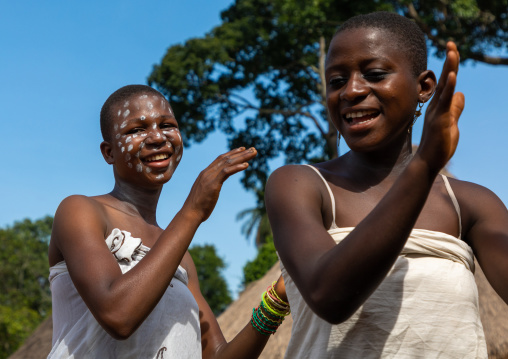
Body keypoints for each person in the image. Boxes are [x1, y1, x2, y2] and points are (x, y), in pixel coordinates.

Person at [265, 11, 508, 358]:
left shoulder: (470, 203)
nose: (351, 90)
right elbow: (329, 295)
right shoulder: (300, 184)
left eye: (374, 74)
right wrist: (423, 166)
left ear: (424, 87)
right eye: (336, 81)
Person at [47, 85, 289, 359]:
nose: (157, 137)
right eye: (136, 130)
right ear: (109, 152)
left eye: (167, 125)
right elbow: (118, 316)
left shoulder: (181, 258)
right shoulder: (81, 211)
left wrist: (277, 301)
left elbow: (218, 355)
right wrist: (193, 210)